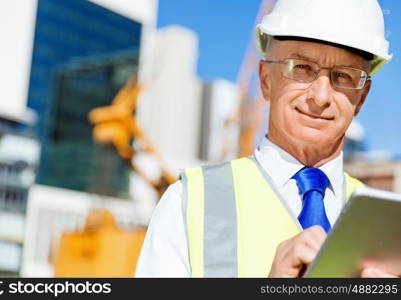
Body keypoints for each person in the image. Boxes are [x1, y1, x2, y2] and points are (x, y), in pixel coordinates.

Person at [135, 0, 396, 277]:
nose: (320, 97)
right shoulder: (188, 203)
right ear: (265, 79)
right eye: (302, 68)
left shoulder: (387, 224)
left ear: (361, 98)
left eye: (342, 76)